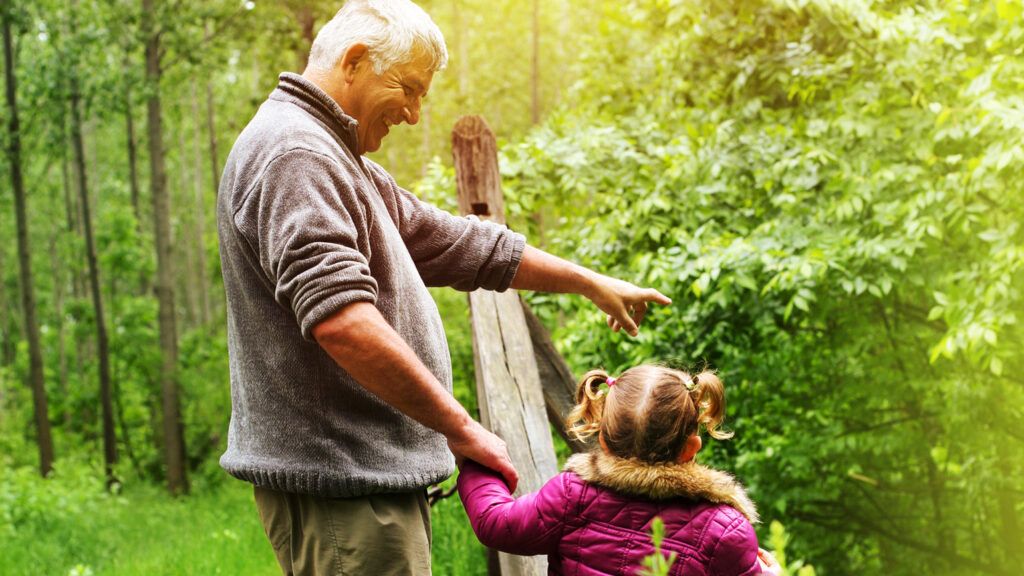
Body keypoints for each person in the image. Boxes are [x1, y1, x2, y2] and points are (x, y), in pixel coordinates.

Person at [216, 0, 671, 574]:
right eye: (408, 89)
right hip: (344, 489)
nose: (412, 114)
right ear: (354, 61)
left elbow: (456, 242)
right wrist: (462, 428)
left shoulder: (332, 153)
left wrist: (586, 281)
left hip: (360, 484)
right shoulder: (296, 153)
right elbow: (343, 323)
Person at [457, 365, 781, 575]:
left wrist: (473, 459)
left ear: (604, 440)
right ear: (691, 448)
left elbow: (496, 522)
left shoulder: (572, 497)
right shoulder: (724, 531)